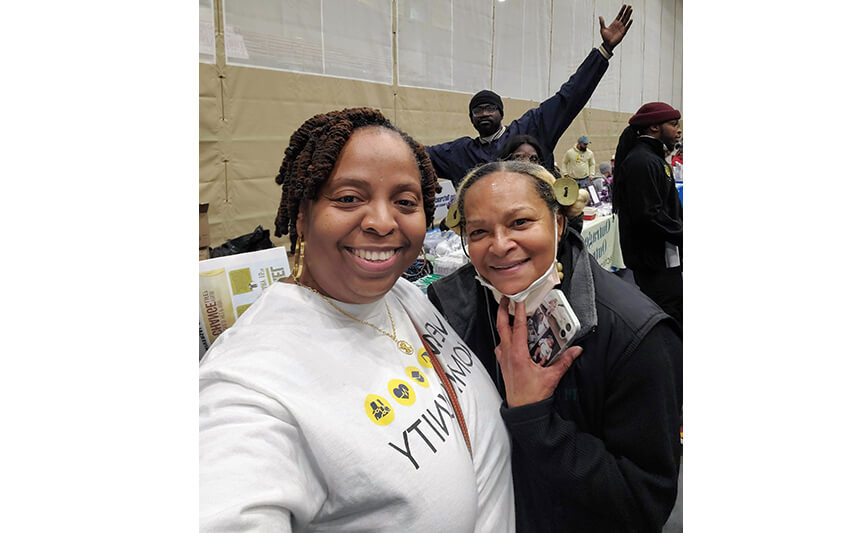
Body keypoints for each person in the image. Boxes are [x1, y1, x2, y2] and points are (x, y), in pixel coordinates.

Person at [200, 108, 515, 532]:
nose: (384, 223)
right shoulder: (249, 383)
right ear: (301, 215)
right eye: (349, 198)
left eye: (405, 202)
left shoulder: (399, 294)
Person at [427, 160, 682, 532]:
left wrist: (535, 418)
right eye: (479, 231)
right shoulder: (448, 310)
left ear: (558, 223)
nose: (500, 245)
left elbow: (642, 501)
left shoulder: (634, 335)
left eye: (520, 223)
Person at [425, 5, 633, 187]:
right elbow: (414, 153)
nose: (484, 113)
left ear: (501, 113)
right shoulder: (460, 152)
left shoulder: (531, 128)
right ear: (471, 119)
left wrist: (604, 51)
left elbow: (570, 97)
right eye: (477, 111)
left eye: (490, 108)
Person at [613, 102, 683, 326]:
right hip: (653, 261)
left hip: (661, 258)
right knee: (668, 317)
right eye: (673, 124)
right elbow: (648, 215)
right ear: (654, 127)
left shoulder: (653, 159)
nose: (678, 130)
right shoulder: (642, 162)